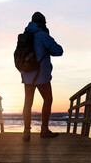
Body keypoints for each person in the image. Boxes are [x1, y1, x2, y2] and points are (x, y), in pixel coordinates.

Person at [21, 12, 63, 142]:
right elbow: (58, 51)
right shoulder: (43, 36)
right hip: (41, 76)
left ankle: (26, 132)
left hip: (27, 75)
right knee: (48, 99)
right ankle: (44, 130)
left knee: (28, 104)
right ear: (42, 23)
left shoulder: (25, 36)